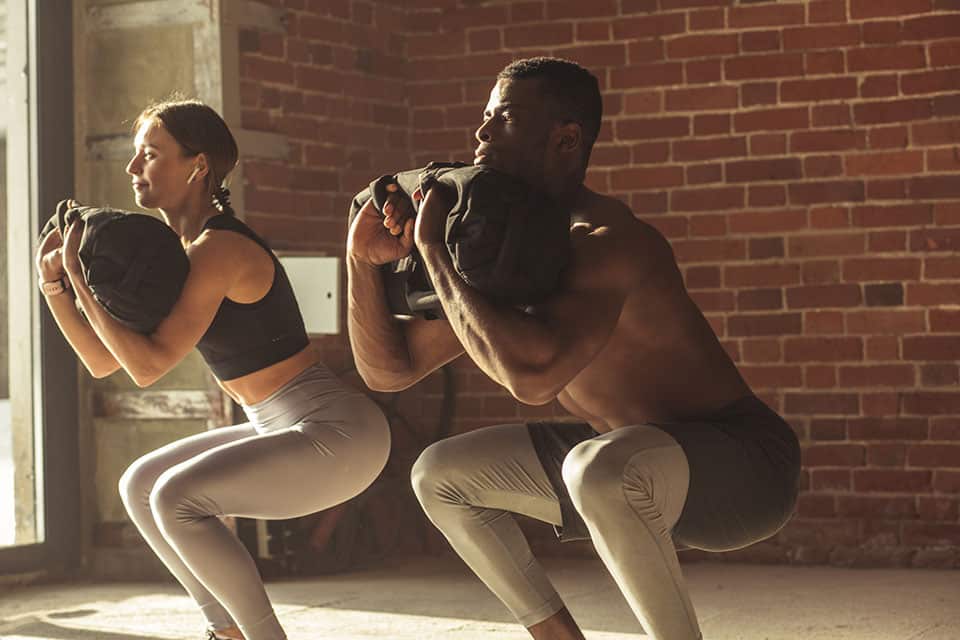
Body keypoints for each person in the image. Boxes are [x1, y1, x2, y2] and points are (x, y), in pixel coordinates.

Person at [346, 57, 800, 640]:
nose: (482, 133)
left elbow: (532, 380)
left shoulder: (609, 242)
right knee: (440, 473)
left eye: (504, 118)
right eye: (484, 117)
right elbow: (389, 371)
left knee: (599, 469)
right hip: (617, 461)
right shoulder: (500, 252)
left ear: (565, 139)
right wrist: (361, 263)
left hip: (741, 466)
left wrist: (432, 250)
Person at [35, 99, 390, 640]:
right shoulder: (178, 252)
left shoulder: (219, 248)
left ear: (197, 166)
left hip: (338, 435)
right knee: (141, 484)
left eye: (149, 155)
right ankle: (224, 630)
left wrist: (82, 280)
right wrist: (56, 287)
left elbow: (148, 368)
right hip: (281, 425)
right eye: (135, 156)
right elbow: (106, 361)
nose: (133, 169)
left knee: (174, 496)